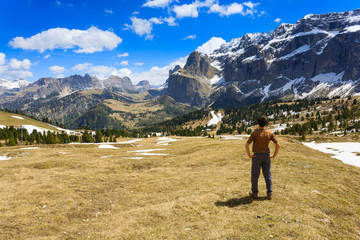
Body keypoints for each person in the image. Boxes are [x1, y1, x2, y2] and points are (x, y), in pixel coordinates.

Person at [245, 116, 280, 200]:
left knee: (255, 175)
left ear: (258, 123)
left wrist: (249, 155)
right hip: (266, 156)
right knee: (267, 175)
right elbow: (278, 145)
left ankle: (255, 193)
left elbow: (247, 145)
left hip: (256, 156)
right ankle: (269, 193)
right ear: (265, 123)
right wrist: (274, 155)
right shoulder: (270, 133)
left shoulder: (254, 133)